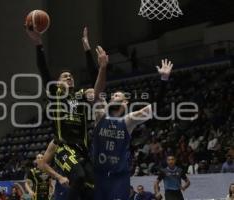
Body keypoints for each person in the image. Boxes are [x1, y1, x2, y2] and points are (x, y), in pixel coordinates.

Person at [26, 26, 97, 200]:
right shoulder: (55, 94)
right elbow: (43, 70)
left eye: (70, 76)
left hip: (83, 148)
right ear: (58, 82)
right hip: (64, 146)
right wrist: (38, 43)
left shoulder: (80, 95)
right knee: (79, 176)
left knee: (91, 189)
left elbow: (96, 80)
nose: (69, 77)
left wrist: (87, 49)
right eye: (65, 76)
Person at [92, 58, 173, 200]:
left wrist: (164, 79)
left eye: (117, 95)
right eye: (112, 95)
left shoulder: (128, 120)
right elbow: (97, 90)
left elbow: (155, 108)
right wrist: (102, 67)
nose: (113, 96)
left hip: (120, 178)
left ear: (125, 102)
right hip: (98, 175)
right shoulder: (100, 114)